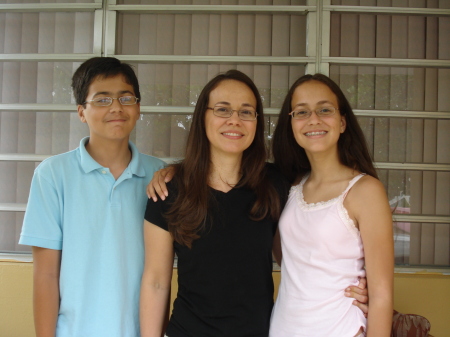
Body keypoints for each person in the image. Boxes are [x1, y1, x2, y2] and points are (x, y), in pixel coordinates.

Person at [141, 70, 369, 337]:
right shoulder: (169, 190)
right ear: (203, 117)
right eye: (223, 110)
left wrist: (355, 289)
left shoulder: (277, 184)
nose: (235, 120)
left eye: (246, 112)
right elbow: (156, 282)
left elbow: (306, 259)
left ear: (257, 122)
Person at [19, 57, 165, 337]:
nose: (116, 108)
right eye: (102, 99)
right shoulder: (52, 175)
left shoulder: (159, 175)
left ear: (138, 108)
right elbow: (46, 275)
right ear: (81, 112)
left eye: (126, 97)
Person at [269, 73, 394, 337]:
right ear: (290, 125)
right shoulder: (287, 185)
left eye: (324, 110)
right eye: (301, 112)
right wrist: (176, 172)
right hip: (283, 328)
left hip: (340, 329)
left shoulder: (365, 191)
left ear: (342, 122)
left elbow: (382, 295)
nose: (313, 119)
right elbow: (290, 258)